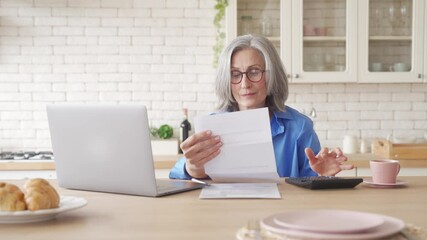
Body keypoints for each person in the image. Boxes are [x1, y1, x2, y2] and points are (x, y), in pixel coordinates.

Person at [169, 34, 353, 180]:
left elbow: (310, 188)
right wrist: (192, 168)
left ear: (271, 75)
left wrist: (321, 176)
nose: (244, 84)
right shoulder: (212, 127)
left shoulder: (299, 127)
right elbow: (176, 178)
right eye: (235, 74)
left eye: (254, 72)